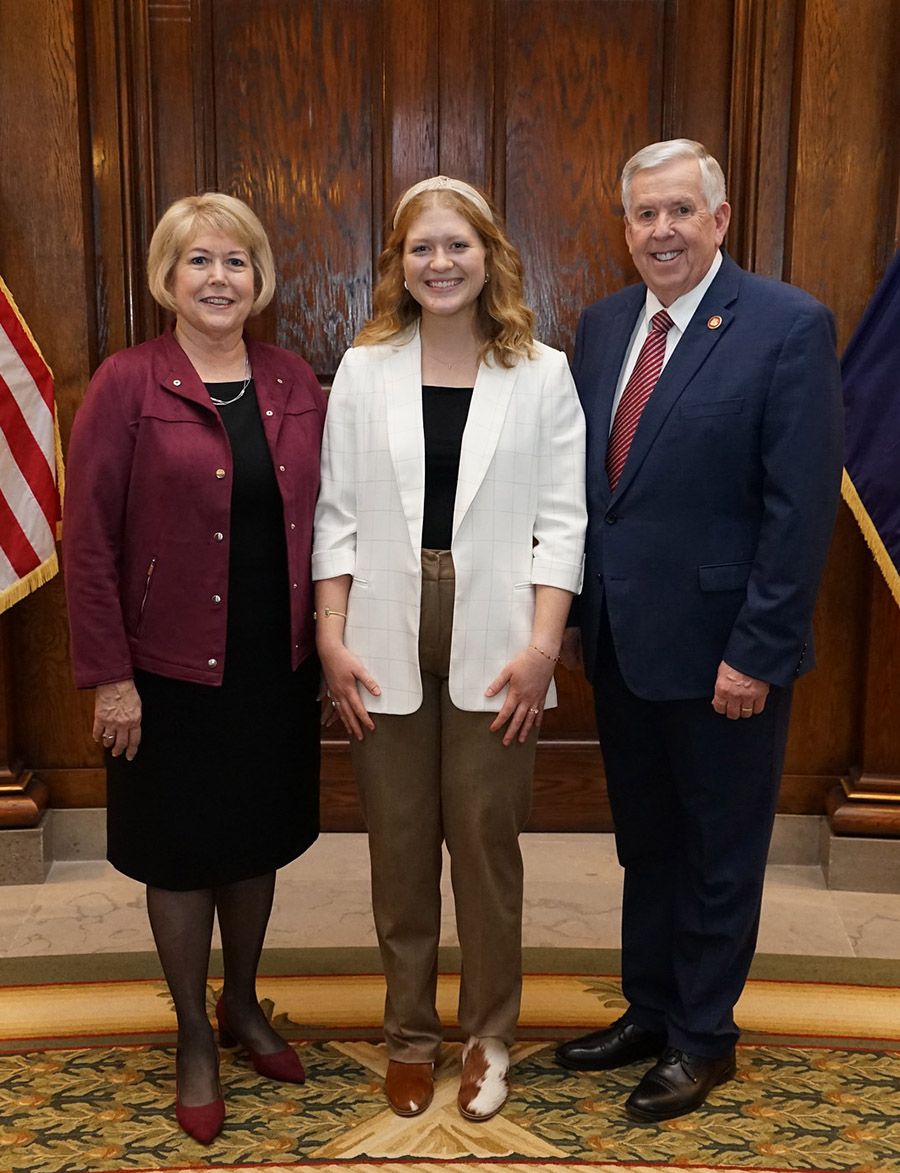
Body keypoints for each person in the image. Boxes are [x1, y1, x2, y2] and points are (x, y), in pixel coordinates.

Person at [555, 140, 843, 1121]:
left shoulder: (786, 325)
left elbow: (798, 510)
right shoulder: (600, 328)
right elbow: (599, 491)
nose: (662, 231)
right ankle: (650, 1008)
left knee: (720, 849)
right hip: (625, 644)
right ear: (625, 228)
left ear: (720, 219)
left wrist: (757, 650)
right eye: (644, 215)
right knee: (649, 843)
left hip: (728, 653)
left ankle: (704, 1037)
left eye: (681, 210)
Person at [312, 176, 586, 1121]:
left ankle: (490, 1035)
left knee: (484, 847)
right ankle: (409, 1036)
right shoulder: (364, 368)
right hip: (382, 632)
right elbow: (336, 517)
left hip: (502, 642)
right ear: (399, 262)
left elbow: (563, 525)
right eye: (422, 248)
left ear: (489, 255)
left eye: (457, 246)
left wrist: (545, 650)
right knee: (397, 850)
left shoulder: (542, 373)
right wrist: (330, 638)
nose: (440, 263)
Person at [64, 193, 326, 1143]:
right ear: (167, 279)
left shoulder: (295, 380)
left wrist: (333, 644)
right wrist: (109, 676)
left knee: (253, 840)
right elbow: (86, 540)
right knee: (178, 854)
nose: (220, 280)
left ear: (260, 280)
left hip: (274, 666)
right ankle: (193, 1034)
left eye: (237, 263)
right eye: (199, 263)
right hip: (164, 673)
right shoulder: (125, 383)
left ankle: (244, 1003)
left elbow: (332, 524)